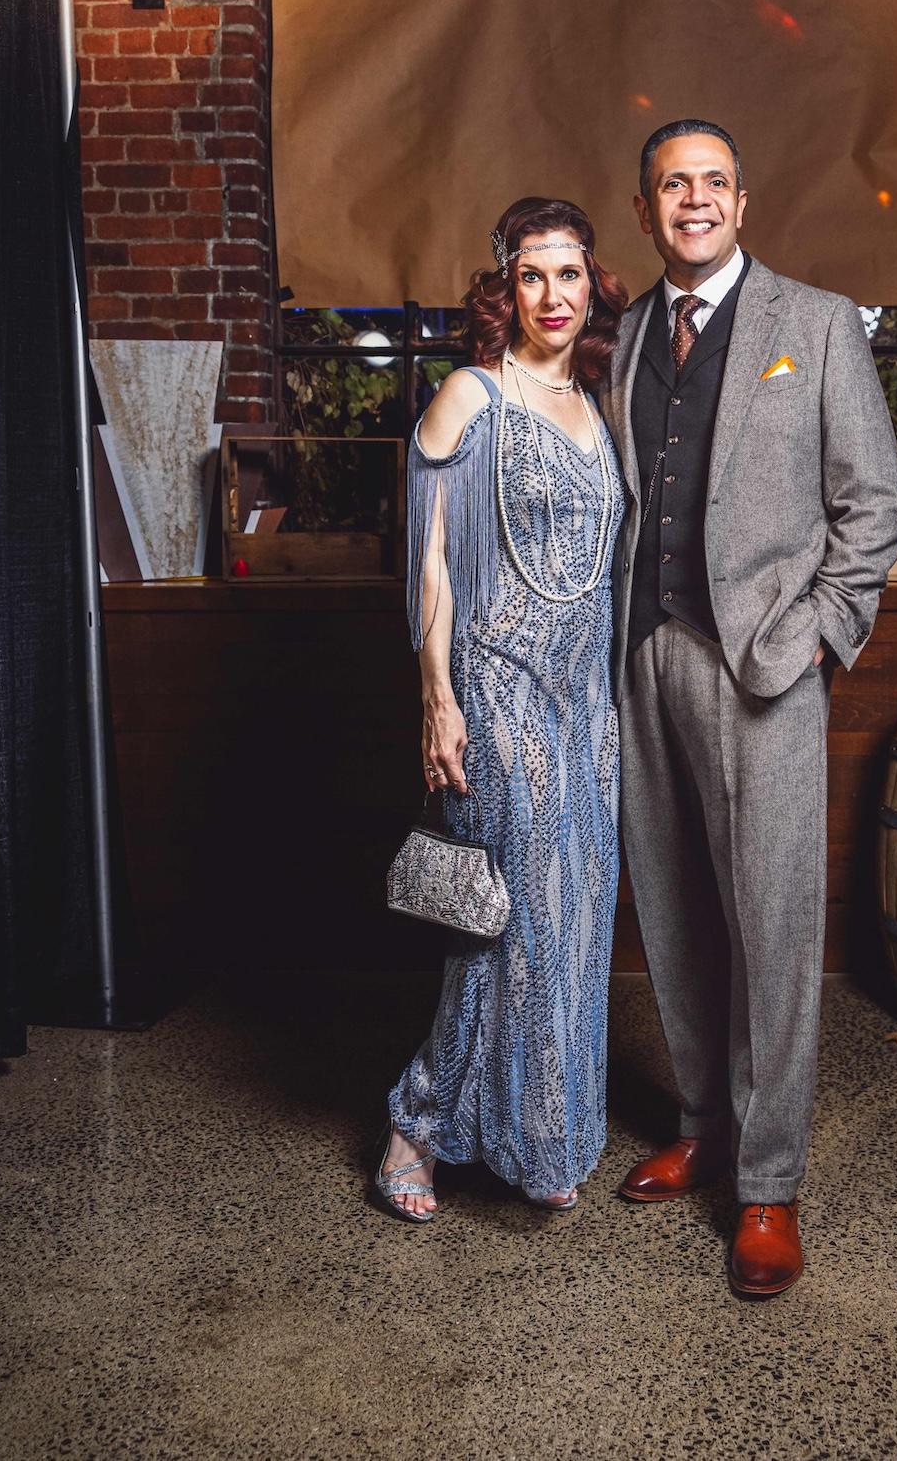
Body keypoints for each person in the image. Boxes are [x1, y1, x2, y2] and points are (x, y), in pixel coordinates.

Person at [605, 119, 897, 1296]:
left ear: (743, 202)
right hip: (646, 655)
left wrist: (817, 637)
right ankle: (705, 1123)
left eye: (713, 182)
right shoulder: (631, 332)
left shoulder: (817, 324)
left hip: (765, 666)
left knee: (773, 925)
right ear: (647, 209)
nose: (694, 199)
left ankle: (769, 1180)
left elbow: (872, 508)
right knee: (673, 905)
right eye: (673, 184)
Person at [379, 197, 628, 1220]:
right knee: (512, 916)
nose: (552, 295)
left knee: (581, 911)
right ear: (506, 287)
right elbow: (432, 560)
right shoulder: (471, 393)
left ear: (591, 285)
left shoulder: (597, 402)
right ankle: (417, 1122)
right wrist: (438, 698)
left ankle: (541, 1131)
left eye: (569, 275)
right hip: (497, 681)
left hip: (586, 694)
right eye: (533, 275)